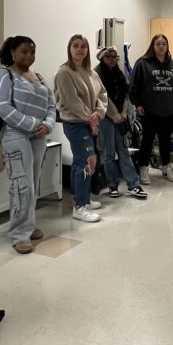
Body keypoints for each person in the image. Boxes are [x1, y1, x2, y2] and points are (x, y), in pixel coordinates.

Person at [0, 36, 56, 253]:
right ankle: (19, 234)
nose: (29, 56)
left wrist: (47, 125)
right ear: (12, 53)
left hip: (39, 135)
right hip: (15, 134)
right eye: (23, 52)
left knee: (33, 182)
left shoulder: (38, 77)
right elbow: (1, 106)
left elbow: (51, 106)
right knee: (22, 184)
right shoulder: (4, 75)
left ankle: (28, 224)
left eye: (32, 52)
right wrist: (31, 124)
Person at [55, 34, 108, 222]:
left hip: (90, 121)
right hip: (75, 123)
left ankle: (83, 198)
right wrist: (90, 119)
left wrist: (98, 114)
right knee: (86, 161)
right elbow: (71, 102)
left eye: (83, 46)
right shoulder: (64, 72)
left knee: (86, 162)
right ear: (69, 49)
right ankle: (80, 207)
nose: (80, 50)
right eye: (76, 46)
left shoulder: (91, 72)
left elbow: (103, 95)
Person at [129, 34, 173, 184]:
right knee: (147, 141)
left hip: (168, 110)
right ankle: (143, 168)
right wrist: (137, 104)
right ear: (152, 46)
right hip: (149, 110)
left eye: (164, 44)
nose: (161, 47)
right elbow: (134, 86)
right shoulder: (142, 63)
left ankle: (166, 166)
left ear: (167, 46)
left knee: (165, 141)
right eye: (158, 44)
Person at [94, 46, 148, 199]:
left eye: (115, 57)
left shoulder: (119, 74)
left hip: (120, 117)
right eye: (108, 57)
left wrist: (123, 113)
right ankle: (112, 185)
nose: (112, 60)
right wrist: (114, 115)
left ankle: (134, 185)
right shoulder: (96, 74)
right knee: (108, 153)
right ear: (102, 58)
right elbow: (102, 97)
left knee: (123, 151)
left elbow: (125, 94)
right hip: (105, 118)